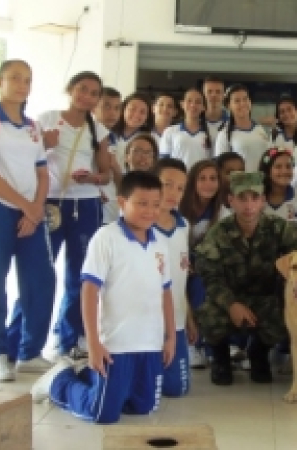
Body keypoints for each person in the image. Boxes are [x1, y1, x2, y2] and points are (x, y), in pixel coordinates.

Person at [30, 171, 174, 424]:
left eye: (155, 204)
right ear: (122, 202)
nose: (149, 211)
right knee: (103, 413)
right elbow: (89, 290)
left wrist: (170, 337)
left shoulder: (160, 244)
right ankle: (59, 381)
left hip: (150, 344)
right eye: (141, 203)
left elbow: (166, 293)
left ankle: (89, 375)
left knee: (143, 407)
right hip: (116, 345)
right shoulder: (106, 238)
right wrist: (94, 344)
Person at [0, 59, 56, 381]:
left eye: (28, 80)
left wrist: (35, 208)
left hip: (31, 212)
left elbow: (42, 172)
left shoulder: (32, 126)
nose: (22, 85)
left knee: (41, 279)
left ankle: (30, 351)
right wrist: (26, 206)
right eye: (15, 78)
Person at [194, 171, 297, 386]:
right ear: (231, 201)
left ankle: (258, 353)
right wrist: (231, 305)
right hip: (227, 299)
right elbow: (210, 277)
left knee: (285, 315)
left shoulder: (278, 228)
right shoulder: (217, 233)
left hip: (264, 298)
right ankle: (221, 359)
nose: (249, 205)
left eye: (254, 198)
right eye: (242, 198)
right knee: (208, 315)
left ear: (263, 201)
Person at [39, 71, 112, 358]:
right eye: (83, 89)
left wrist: (91, 178)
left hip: (85, 205)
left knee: (79, 275)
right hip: (50, 203)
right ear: (70, 89)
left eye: (94, 93)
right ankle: (21, 342)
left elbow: (106, 175)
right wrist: (44, 142)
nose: (87, 97)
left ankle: (69, 339)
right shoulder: (46, 119)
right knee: (40, 274)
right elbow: (29, 156)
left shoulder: (99, 131)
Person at [151, 158, 194, 397]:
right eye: (167, 184)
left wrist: (188, 317)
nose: (173, 193)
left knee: (177, 389)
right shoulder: (139, 225)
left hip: (175, 321)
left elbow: (181, 276)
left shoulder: (183, 225)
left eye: (180, 188)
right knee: (145, 391)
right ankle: (65, 378)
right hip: (146, 323)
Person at [179, 160, 227, 369]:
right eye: (202, 179)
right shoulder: (180, 208)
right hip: (180, 262)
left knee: (203, 283)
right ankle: (192, 344)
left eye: (213, 178)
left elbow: (222, 248)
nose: (208, 184)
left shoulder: (223, 211)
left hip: (206, 265)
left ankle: (209, 343)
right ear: (192, 182)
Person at [213, 84, 269, 172]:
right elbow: (220, 167)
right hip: (239, 184)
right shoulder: (224, 134)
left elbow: (267, 157)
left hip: (262, 183)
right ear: (229, 106)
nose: (242, 104)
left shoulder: (260, 129)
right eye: (237, 101)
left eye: (245, 99)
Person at [160, 87, 212, 169]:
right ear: (182, 104)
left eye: (198, 102)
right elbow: (164, 162)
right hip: (177, 179)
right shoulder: (170, 131)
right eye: (189, 101)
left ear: (203, 107)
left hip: (201, 180)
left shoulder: (211, 132)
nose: (193, 105)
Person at [93, 87, 123, 224]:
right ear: (94, 107)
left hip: (112, 207)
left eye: (117, 108)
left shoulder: (117, 139)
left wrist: (116, 169)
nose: (113, 113)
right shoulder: (88, 136)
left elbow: (118, 179)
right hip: (92, 202)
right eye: (107, 107)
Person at [260, 147, 297, 222]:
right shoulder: (256, 198)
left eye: (288, 166)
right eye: (278, 167)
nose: (284, 171)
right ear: (268, 171)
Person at [202, 76, 227, 145]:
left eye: (218, 92)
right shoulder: (195, 121)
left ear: (224, 95)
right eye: (209, 91)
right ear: (203, 94)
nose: (213, 95)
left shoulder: (233, 122)